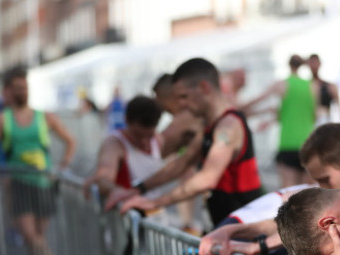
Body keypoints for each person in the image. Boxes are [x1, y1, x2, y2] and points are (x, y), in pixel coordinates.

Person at [108, 58, 263, 228]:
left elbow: (207, 178)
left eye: (184, 96)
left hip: (246, 232)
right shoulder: (211, 126)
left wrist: (155, 202)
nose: (180, 104)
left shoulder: (228, 126)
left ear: (204, 88)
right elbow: (182, 163)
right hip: (227, 229)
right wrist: (138, 189)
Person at [0, 66, 76, 255]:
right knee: (29, 235)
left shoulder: (45, 117)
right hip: (18, 183)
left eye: (25, 87)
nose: (23, 91)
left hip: (43, 183)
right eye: (18, 88)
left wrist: (62, 167)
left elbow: (70, 142)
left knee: (38, 239)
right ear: (10, 92)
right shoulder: (3, 120)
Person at [241, 54, 316, 187]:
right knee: (307, 192)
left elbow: (260, 99)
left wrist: (240, 108)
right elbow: (314, 115)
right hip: (308, 144)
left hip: (287, 143)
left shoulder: (282, 84)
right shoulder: (312, 86)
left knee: (288, 191)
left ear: (289, 65)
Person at [152, 73, 204, 233]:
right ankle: (188, 225)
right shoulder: (188, 116)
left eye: (159, 98)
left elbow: (158, 149)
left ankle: (189, 225)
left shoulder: (186, 116)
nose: (159, 105)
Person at [307, 54, 340, 125]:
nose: (314, 65)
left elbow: (339, 106)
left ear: (320, 64)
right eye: (311, 62)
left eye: (316, 62)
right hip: (308, 122)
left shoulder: (329, 86)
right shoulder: (305, 86)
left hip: (324, 121)